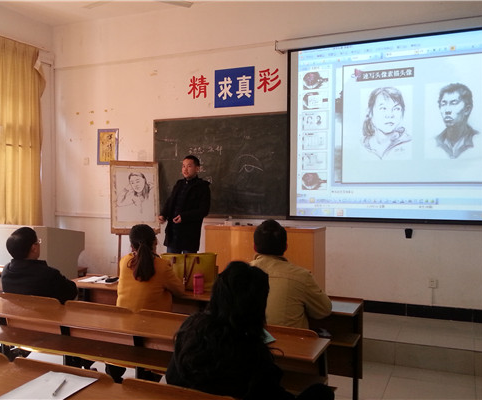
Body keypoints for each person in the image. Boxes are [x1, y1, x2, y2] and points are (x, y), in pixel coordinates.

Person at [166, 261, 334, 400]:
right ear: (258, 306)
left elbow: (172, 377)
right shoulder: (251, 353)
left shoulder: (190, 328)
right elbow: (270, 393)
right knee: (322, 392)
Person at [109, 224, 185, 382]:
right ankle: (150, 377)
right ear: (155, 242)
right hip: (154, 335)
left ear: (131, 246)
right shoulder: (162, 266)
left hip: (124, 331)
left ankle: (116, 374)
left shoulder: (124, 262)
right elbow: (180, 291)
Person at [250, 220, 331, 329]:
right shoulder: (301, 276)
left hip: (249, 338)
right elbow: (324, 310)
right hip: (287, 339)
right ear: (286, 247)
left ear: (254, 247)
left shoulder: (239, 275)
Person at [1, 227, 77, 304]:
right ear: (34, 248)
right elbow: (71, 292)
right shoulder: (48, 274)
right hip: (46, 312)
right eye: (38, 241)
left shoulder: (6, 271)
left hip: (14, 311)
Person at [158, 155, 210, 254]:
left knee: (189, 262)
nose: (185, 169)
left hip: (189, 234)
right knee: (172, 262)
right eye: (183, 166)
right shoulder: (179, 184)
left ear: (197, 168)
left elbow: (204, 210)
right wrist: (163, 215)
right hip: (173, 233)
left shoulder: (202, 187)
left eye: (189, 166)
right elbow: (170, 201)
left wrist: (184, 217)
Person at [362, 87, 411, 160]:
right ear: (369, 112)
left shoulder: (409, 143)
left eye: (396, 109)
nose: (390, 115)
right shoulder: (362, 145)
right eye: (383, 108)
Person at [435, 83, 479, 159]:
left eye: (453, 103)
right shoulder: (433, 143)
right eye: (443, 104)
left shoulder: (480, 141)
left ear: (467, 109)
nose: (447, 110)